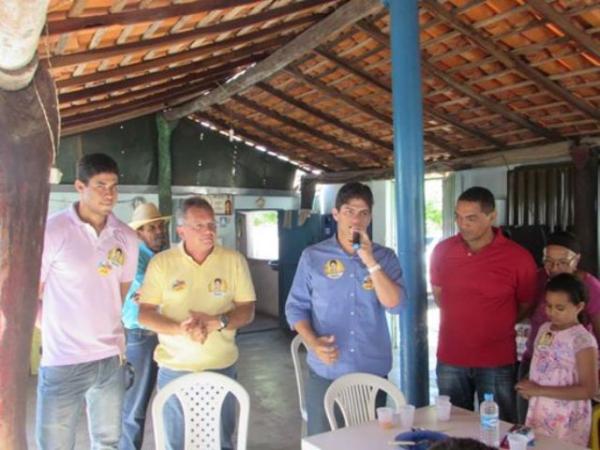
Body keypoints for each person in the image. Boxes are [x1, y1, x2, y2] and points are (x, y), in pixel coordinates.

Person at [285, 182, 405, 436]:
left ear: (371, 216)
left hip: (372, 370)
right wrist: (313, 342)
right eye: (349, 211)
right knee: (324, 440)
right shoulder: (312, 256)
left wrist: (370, 261)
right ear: (336, 213)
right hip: (327, 370)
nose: (356, 219)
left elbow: (396, 305)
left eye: (363, 213)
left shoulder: (386, 257)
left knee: (369, 441)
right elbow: (295, 308)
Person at [36, 153, 139, 449]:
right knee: (55, 444)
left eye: (114, 185)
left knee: (108, 442)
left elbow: (117, 294)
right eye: (100, 185)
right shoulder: (53, 231)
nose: (109, 193)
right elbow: (32, 295)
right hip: (62, 361)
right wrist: (58, 328)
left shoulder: (126, 237)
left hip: (110, 359)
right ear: (79, 186)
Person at [138, 196, 255, 450]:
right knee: (176, 443)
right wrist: (180, 329)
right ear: (181, 230)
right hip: (175, 370)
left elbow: (247, 311)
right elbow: (145, 314)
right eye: (199, 226)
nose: (209, 231)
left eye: (211, 224)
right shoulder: (162, 263)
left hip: (221, 367)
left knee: (221, 442)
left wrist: (219, 322)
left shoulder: (234, 260)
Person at [430, 186, 537, 423]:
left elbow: (527, 304)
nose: (462, 224)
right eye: (458, 216)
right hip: (451, 357)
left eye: (471, 218)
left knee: (498, 427)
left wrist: (494, 322)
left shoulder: (518, 257)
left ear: (491, 216)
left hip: (496, 360)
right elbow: (440, 296)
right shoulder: (442, 251)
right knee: (454, 427)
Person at [517, 231, 600, 422]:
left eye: (562, 262)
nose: (554, 268)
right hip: (536, 359)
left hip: (572, 365)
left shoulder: (590, 287)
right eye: (548, 261)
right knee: (528, 421)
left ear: (576, 260)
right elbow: (523, 309)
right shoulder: (537, 280)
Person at [516, 273, 598, 446]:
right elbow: (544, 364)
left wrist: (539, 389)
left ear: (579, 306)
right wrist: (529, 383)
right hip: (540, 409)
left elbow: (588, 390)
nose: (552, 312)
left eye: (560, 308)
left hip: (567, 418)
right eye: (548, 306)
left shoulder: (583, 340)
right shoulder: (545, 329)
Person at [119, 202, 170, 450]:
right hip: (140, 335)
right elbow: (148, 288)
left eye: (161, 226)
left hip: (159, 332)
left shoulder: (158, 258)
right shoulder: (135, 258)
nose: (159, 231)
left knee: (169, 397)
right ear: (139, 232)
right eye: (152, 228)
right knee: (135, 406)